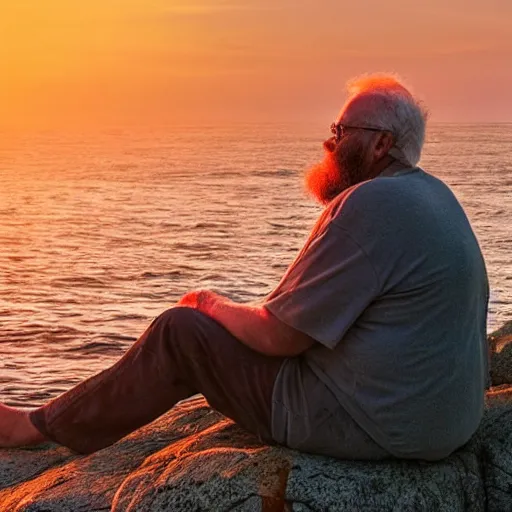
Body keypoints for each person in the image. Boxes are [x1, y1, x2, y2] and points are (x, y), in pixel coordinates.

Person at [0, 74, 489, 461]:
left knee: (181, 332)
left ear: (380, 145)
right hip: (446, 423)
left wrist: (208, 303)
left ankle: (35, 427)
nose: (328, 142)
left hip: (374, 426)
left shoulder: (369, 205)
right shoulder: (433, 195)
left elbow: (281, 337)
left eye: (341, 132)